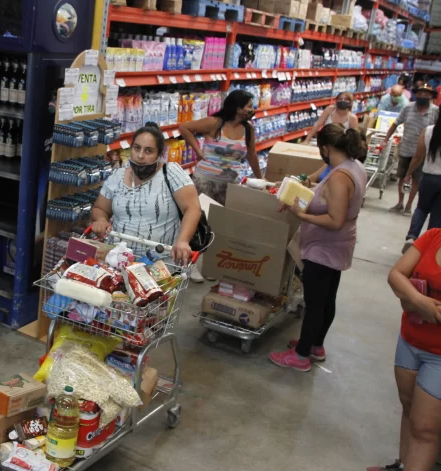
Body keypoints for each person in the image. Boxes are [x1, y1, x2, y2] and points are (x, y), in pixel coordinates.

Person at [269, 124, 367, 372]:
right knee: (327, 298)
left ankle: (301, 356)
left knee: (315, 303)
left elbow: (334, 220)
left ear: (326, 148)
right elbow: (324, 199)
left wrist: (301, 215)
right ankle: (315, 345)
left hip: (325, 247)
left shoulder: (338, 178)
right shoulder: (353, 166)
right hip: (339, 245)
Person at [364, 228, 441, 471]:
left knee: (425, 428)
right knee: (409, 408)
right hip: (410, 341)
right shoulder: (433, 237)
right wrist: (419, 301)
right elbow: (396, 274)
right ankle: (403, 466)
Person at [178, 89, 262, 282]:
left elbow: (252, 155)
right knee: (197, 226)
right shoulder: (215, 124)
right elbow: (185, 127)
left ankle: (208, 264)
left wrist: (261, 179)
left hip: (228, 186)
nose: (252, 109)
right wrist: (198, 150)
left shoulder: (248, 130)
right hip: (204, 183)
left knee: (216, 228)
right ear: (238, 107)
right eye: (249, 106)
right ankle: (189, 265)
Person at [90, 122, 200, 266]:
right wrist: (101, 220)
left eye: (148, 151)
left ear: (159, 154)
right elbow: (100, 208)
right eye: (137, 148)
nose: (140, 155)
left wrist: (183, 240)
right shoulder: (117, 176)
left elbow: (192, 209)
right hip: (118, 260)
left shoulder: (171, 172)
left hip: (159, 265)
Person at [385, 83, 439, 215]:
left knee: (416, 179)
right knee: (402, 177)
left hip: (423, 153)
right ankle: (400, 203)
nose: (422, 96)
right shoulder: (408, 108)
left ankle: (409, 206)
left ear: (431, 96)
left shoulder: (435, 111)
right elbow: (396, 123)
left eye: (426, 94)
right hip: (406, 148)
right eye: (420, 93)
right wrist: (386, 138)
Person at [400, 110, 441, 253]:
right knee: (437, 214)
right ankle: (428, 246)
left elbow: (418, 156)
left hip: (429, 177)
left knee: (421, 208)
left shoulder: (428, 131)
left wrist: (409, 173)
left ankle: (412, 237)